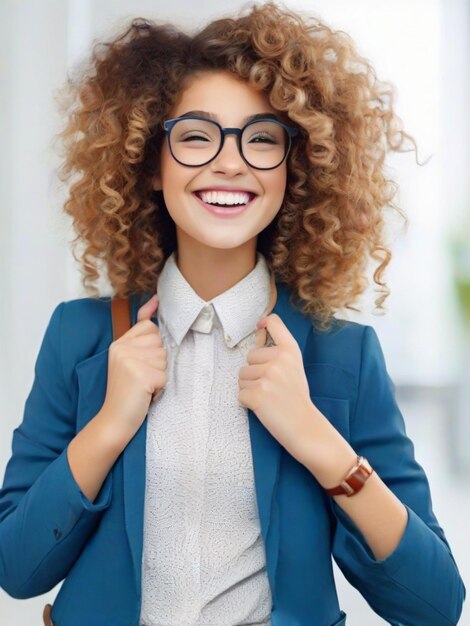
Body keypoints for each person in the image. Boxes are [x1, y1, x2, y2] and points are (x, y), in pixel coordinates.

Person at [0, 2, 466, 625]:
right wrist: (110, 423)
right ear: (150, 164)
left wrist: (319, 443)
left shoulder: (341, 354)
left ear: (291, 171)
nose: (231, 160)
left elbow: (435, 605)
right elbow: (17, 567)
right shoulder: (80, 336)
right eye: (196, 134)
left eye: (261, 139)